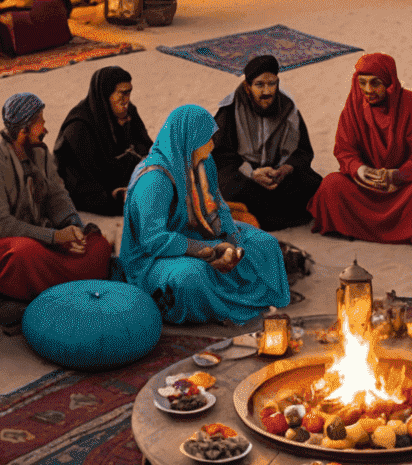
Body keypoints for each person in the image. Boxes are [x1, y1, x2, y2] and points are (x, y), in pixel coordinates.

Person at [120, 103, 291, 325]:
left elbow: (217, 204)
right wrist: (207, 251)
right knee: (191, 277)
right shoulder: (155, 179)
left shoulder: (202, 162)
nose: (212, 145)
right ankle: (223, 308)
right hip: (155, 256)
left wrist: (230, 239)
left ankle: (252, 299)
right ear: (189, 139)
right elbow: (152, 240)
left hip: (200, 233)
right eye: (206, 138)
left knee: (263, 243)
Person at [0, 92, 112, 301]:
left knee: (98, 246)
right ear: (24, 129)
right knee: (27, 253)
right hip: (3, 244)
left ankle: (56, 287)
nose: (46, 128)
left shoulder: (39, 152)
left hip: (41, 235)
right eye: (40, 122)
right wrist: (54, 237)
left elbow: (56, 196)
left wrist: (73, 227)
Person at [309, 53, 412, 246]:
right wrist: (360, 170)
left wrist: (398, 175)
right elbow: (344, 150)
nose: (368, 90)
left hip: (405, 185)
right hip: (367, 185)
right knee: (331, 184)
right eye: (363, 83)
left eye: (375, 83)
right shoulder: (353, 107)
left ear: (389, 83)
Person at [212, 54, 323, 231]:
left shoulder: (288, 108)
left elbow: (302, 151)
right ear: (248, 86)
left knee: (316, 186)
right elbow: (221, 155)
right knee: (229, 190)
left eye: (271, 84)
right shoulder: (230, 110)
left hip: (278, 173)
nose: (267, 91)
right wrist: (252, 173)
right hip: (243, 172)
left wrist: (285, 169)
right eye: (259, 85)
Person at [54, 66, 152, 215]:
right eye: (122, 94)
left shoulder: (128, 111)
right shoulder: (78, 126)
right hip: (88, 183)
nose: (127, 100)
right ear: (106, 94)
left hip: (117, 174)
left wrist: (122, 131)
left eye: (129, 92)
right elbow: (83, 178)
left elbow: (146, 147)